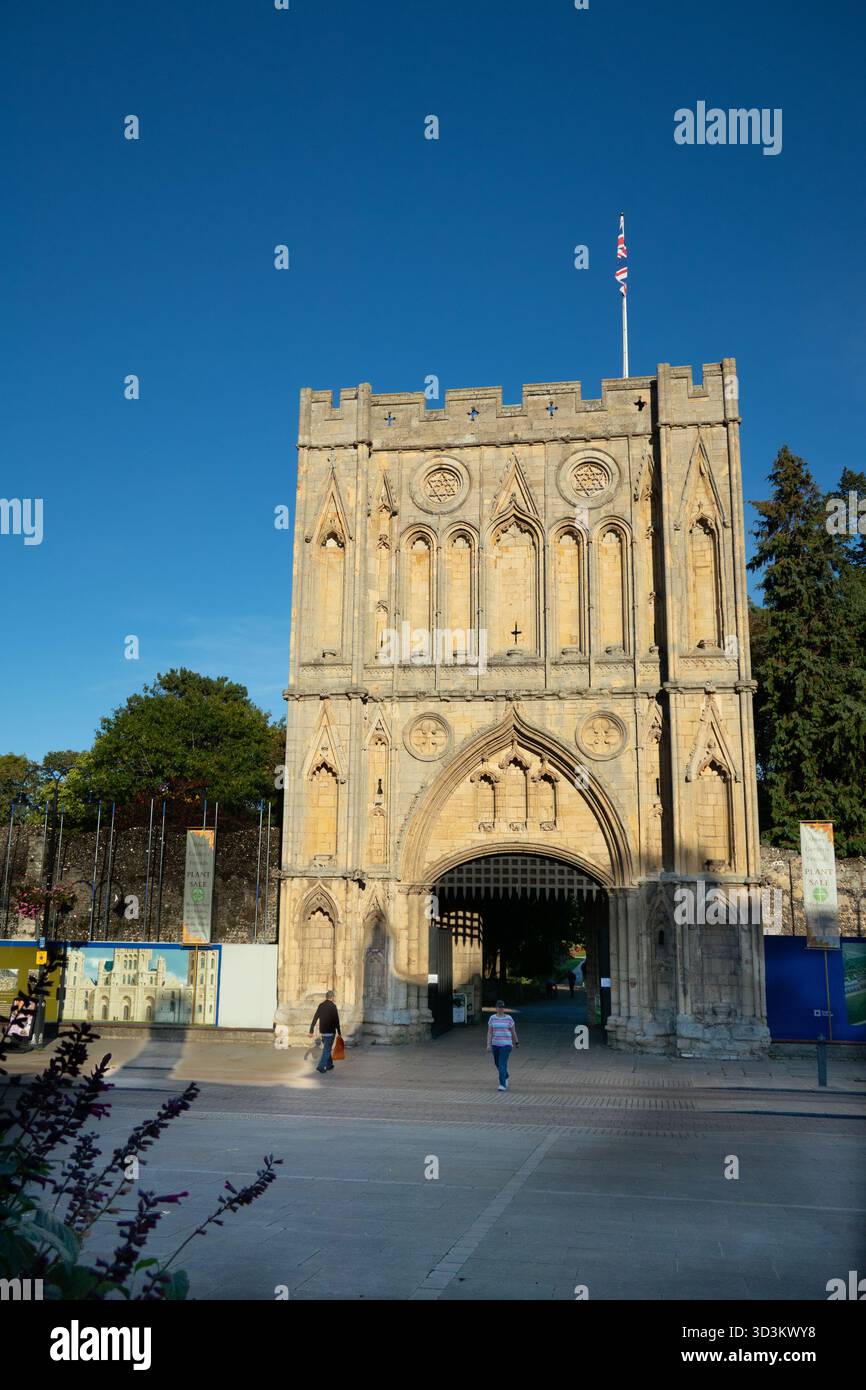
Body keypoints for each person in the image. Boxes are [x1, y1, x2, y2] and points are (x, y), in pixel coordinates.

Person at [486, 1000, 518, 1091]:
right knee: (497, 1063)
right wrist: (488, 1044)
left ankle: (502, 1084)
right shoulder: (492, 1018)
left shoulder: (509, 1018)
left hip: (506, 1044)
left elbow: (513, 1031)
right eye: (499, 1007)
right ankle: (506, 1075)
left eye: (502, 1007)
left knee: (502, 1063)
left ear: (504, 1008)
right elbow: (489, 1032)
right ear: (496, 1008)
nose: (500, 1009)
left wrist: (516, 1042)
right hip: (495, 1044)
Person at [309, 990, 342, 1074]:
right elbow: (336, 1020)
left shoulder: (321, 1005)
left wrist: (311, 1030)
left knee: (327, 1048)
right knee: (327, 1050)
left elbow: (315, 1018)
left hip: (323, 1032)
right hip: (330, 1032)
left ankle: (329, 1065)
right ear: (332, 997)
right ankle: (321, 1066)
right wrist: (339, 1032)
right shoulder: (333, 1006)